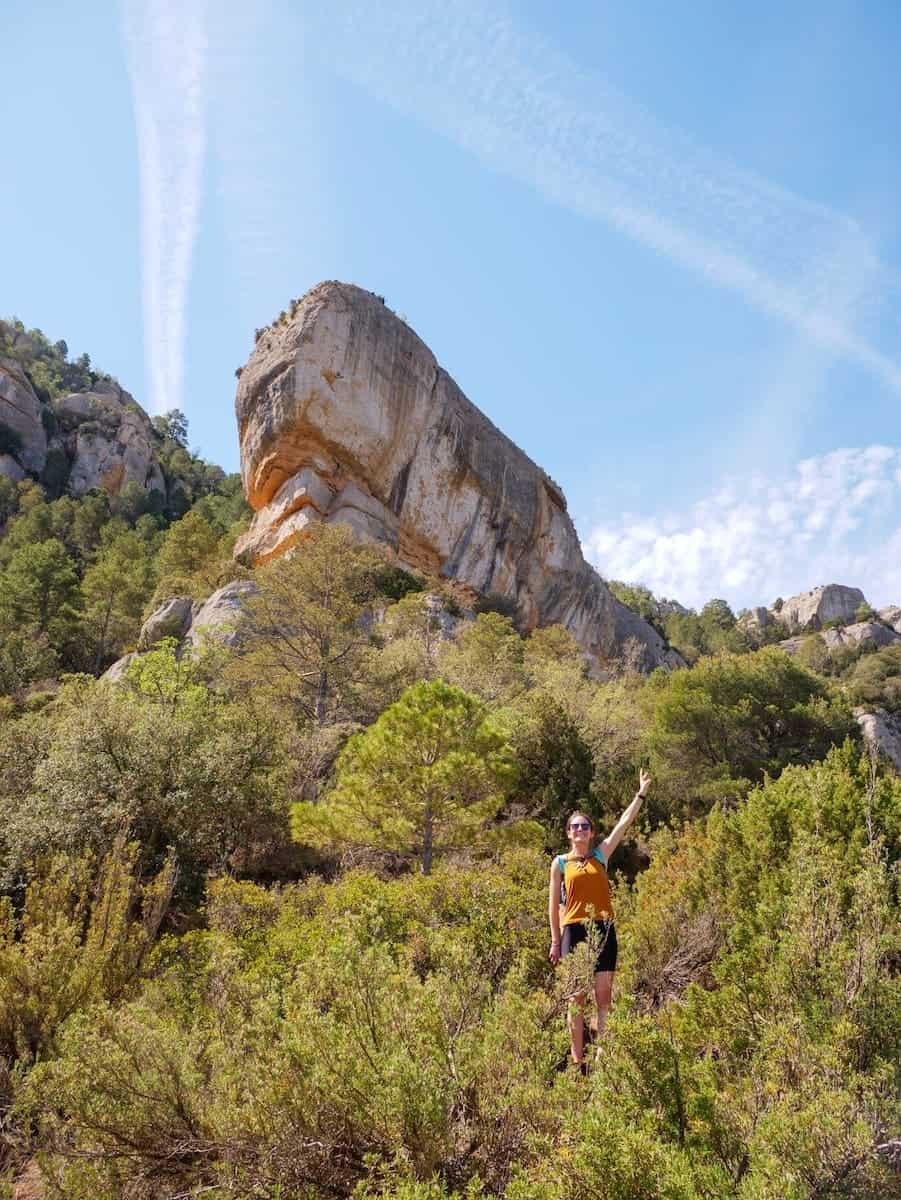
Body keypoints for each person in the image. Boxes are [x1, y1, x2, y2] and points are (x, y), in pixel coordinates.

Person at [548, 769, 651, 1074]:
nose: (579, 830)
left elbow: (623, 823)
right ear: (568, 833)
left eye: (584, 826)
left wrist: (641, 792)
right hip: (574, 931)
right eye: (574, 826)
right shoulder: (560, 863)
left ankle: (603, 1059)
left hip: (604, 929)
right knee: (576, 999)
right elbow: (553, 905)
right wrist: (555, 940)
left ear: (591, 832)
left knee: (603, 996)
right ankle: (578, 1062)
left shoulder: (600, 855)